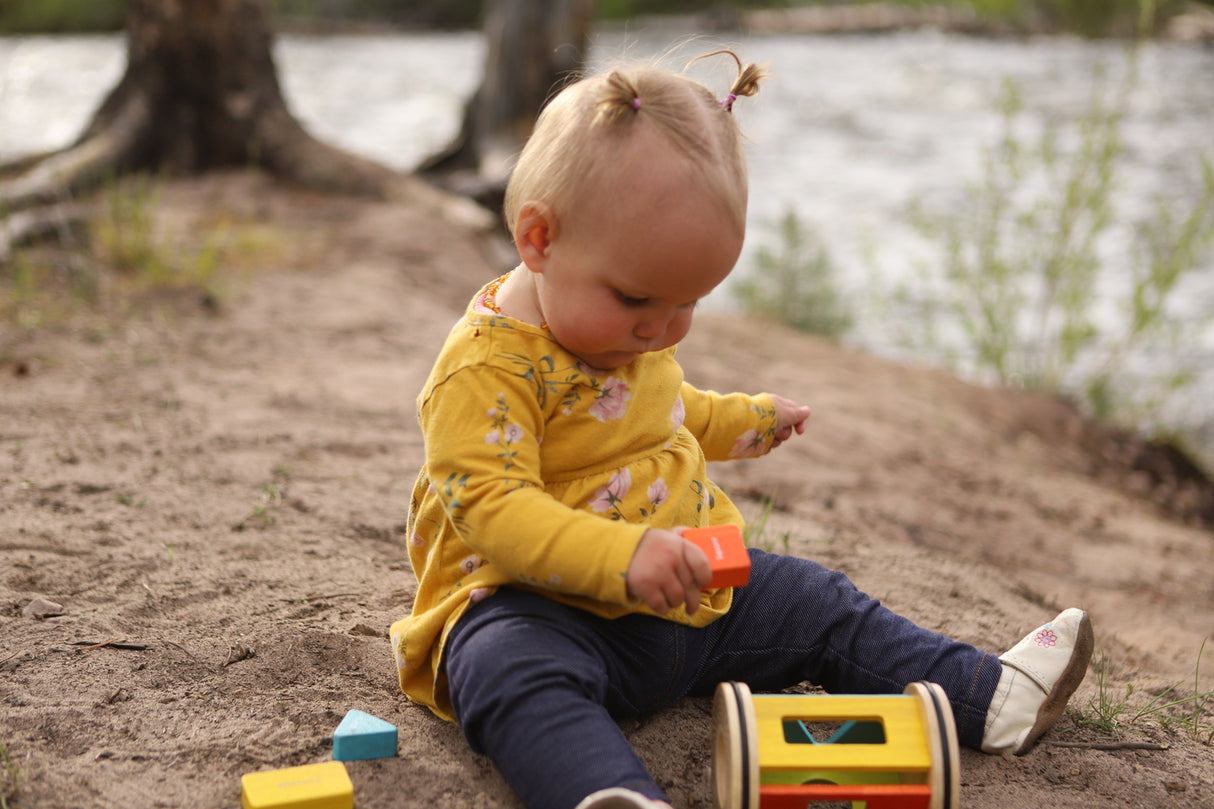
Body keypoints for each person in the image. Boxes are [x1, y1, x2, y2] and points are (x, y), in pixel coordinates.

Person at [390, 50, 1094, 809]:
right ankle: (605, 792)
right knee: (504, 669)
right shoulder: (486, 371)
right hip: (540, 611)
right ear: (539, 238)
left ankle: (989, 696)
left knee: (818, 601)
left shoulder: (624, 333)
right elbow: (493, 511)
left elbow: (666, 410)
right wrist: (621, 555)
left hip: (686, 604)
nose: (661, 331)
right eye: (638, 300)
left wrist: (748, 420)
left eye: (689, 303)